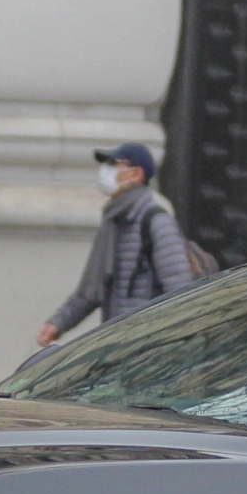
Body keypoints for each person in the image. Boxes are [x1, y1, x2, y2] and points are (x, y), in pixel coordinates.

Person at [36, 144, 194, 348]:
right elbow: (90, 291)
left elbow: (180, 290)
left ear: (136, 174)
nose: (106, 171)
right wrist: (56, 324)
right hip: (118, 343)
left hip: (150, 345)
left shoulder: (156, 221)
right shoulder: (113, 222)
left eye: (114, 164)